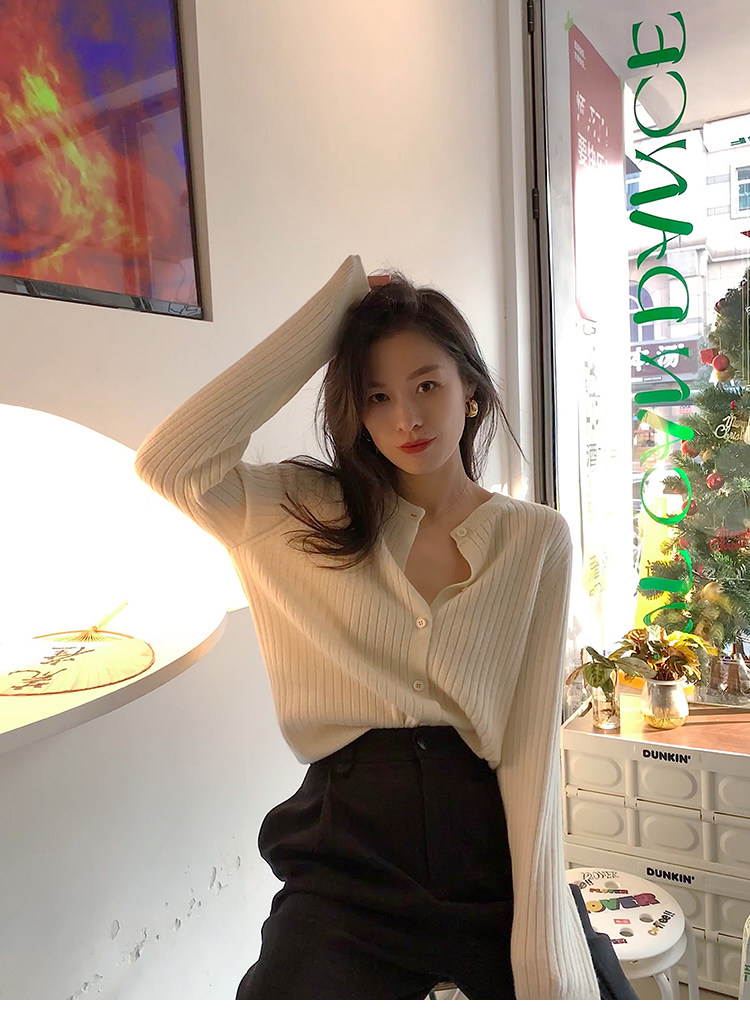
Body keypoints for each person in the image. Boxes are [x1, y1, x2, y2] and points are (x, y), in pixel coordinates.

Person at [134, 255, 601, 1000]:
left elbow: (528, 746)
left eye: (426, 386)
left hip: (482, 844)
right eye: (376, 396)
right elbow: (171, 464)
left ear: (471, 390)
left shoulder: (536, 538)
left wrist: (542, 946)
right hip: (346, 853)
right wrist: (340, 310)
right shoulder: (300, 511)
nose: (405, 418)